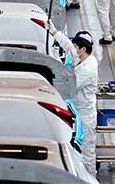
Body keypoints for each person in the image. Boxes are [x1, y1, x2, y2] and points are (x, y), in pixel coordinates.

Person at [46, 24, 98, 176]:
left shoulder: (88, 68)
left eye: (77, 47)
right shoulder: (83, 58)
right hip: (78, 112)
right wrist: (54, 32)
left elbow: (69, 87)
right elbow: (68, 47)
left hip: (85, 116)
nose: (74, 49)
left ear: (83, 49)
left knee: (87, 153)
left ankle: (90, 177)